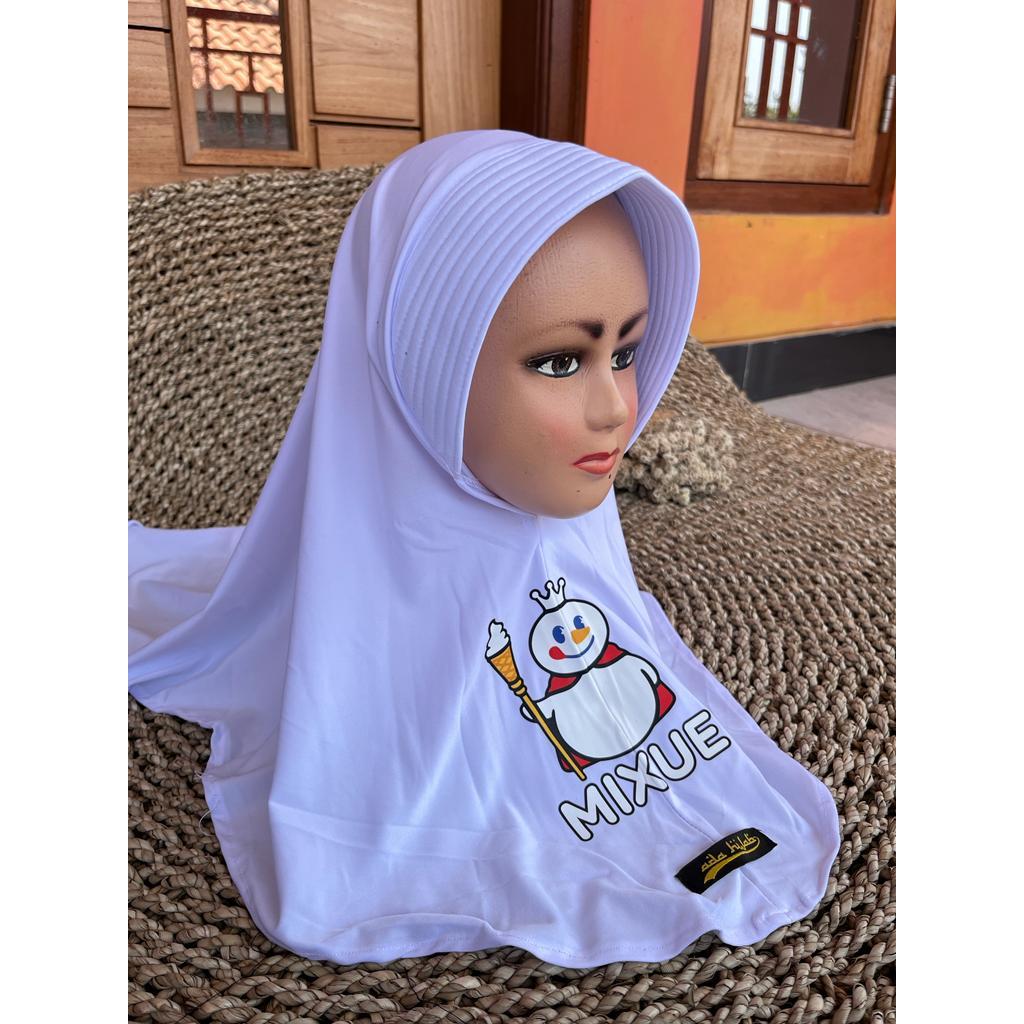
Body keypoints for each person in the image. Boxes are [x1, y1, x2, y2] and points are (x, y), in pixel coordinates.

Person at [129, 129, 840, 968]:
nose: (617, 408)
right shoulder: (353, 647)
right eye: (560, 360)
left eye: (626, 352)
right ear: (421, 358)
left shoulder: (580, 547)